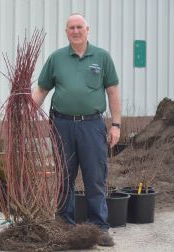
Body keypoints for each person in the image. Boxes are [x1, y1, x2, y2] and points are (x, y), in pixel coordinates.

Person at [32, 13, 121, 247]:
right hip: (62, 125)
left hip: (92, 125)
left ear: (87, 29)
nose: (75, 31)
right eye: (71, 27)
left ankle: (100, 228)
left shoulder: (102, 58)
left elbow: (112, 92)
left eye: (79, 27)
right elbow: (41, 90)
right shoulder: (56, 58)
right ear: (66, 32)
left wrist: (116, 125)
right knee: (64, 177)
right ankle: (63, 225)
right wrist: (25, 110)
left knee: (95, 178)